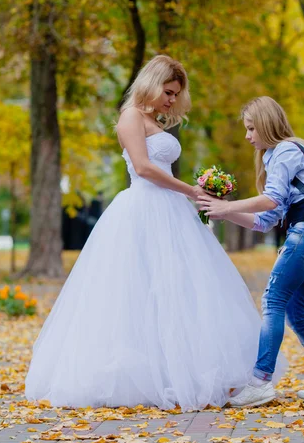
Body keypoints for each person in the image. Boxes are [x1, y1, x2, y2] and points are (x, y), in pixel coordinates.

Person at [25, 56, 286, 411]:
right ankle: (144, 376)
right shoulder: (130, 116)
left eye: (175, 94)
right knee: (141, 290)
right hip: (143, 210)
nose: (171, 101)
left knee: (181, 289)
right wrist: (190, 191)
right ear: (151, 83)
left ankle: (180, 370)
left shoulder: (153, 121)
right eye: (168, 92)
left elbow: (160, 166)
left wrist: (193, 189)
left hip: (172, 211)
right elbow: (145, 168)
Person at [199, 96, 304, 407]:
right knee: (295, 312)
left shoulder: (287, 150)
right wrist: (223, 213)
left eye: (252, 128)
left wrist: (228, 205)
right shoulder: (279, 155)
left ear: (266, 124)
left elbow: (269, 199)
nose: (247, 136)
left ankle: (261, 382)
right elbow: (266, 220)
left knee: (273, 299)